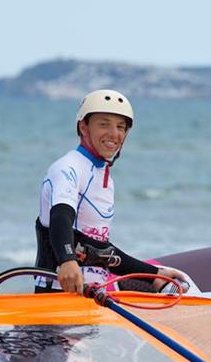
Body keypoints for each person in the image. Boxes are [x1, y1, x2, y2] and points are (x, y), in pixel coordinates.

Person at [35, 89, 186, 295]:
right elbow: (61, 217)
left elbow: (101, 251)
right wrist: (68, 260)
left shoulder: (103, 175)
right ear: (83, 127)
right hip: (57, 292)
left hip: (94, 294)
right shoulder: (68, 167)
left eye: (121, 127)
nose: (114, 134)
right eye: (104, 124)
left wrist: (154, 274)